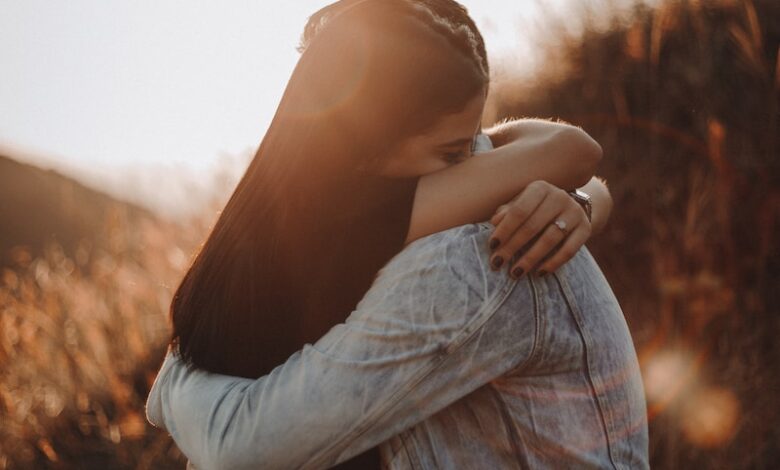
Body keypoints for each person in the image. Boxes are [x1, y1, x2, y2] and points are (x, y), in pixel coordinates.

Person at [149, 0, 630, 468]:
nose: (479, 166)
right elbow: (573, 150)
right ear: (366, 149)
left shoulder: (270, 229)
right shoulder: (391, 229)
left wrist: (583, 201)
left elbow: (553, 154)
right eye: (452, 154)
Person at [145, 132, 649, 468]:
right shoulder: (394, 219)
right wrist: (585, 198)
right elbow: (555, 147)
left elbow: (245, 447)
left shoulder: (464, 256)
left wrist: (174, 379)